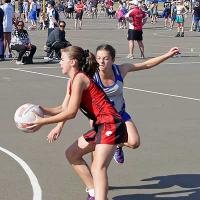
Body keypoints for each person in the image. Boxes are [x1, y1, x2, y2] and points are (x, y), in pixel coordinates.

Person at [27, 45, 128, 200]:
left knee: (98, 167)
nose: (60, 63)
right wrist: (41, 110)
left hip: (111, 123)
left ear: (73, 62)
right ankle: (93, 192)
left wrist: (43, 121)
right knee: (72, 154)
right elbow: (63, 108)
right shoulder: (73, 81)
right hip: (101, 125)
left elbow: (71, 112)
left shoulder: (80, 78)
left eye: (62, 59)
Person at [92, 44, 180, 164]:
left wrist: (168, 55)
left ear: (113, 60)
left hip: (120, 115)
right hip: (102, 119)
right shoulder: (92, 76)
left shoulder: (121, 70)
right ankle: (94, 178)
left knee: (134, 143)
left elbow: (146, 65)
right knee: (97, 155)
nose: (101, 62)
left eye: (106, 58)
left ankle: (118, 145)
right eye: (98, 58)